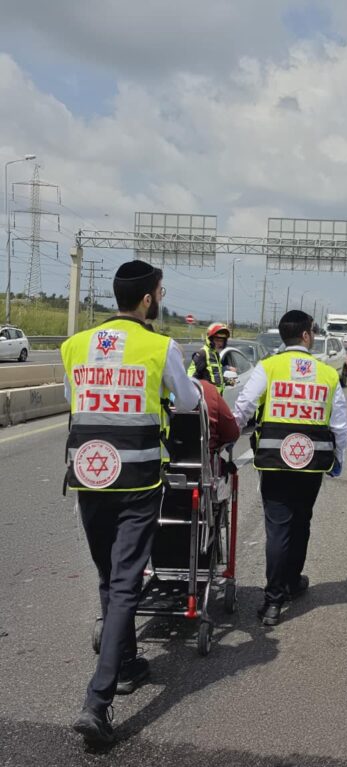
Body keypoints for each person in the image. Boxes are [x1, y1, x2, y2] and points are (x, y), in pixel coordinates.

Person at [62, 260, 201, 746]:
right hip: (138, 479)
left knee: (109, 577)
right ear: (147, 299)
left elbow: (76, 400)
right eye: (160, 292)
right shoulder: (160, 347)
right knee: (124, 585)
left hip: (88, 475)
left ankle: (123, 664)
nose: (160, 299)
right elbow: (186, 403)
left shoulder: (74, 345)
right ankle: (96, 704)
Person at [232, 310, 347, 626]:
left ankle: (272, 602)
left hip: (273, 461)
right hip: (311, 463)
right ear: (308, 335)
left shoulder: (268, 368)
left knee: (278, 527)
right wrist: (339, 459)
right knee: (301, 522)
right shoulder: (326, 374)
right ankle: (292, 581)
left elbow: (242, 408)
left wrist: (226, 441)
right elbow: (339, 424)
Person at [188, 322, 232, 394]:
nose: (219, 343)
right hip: (206, 398)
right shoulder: (202, 354)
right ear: (210, 339)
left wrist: (228, 381)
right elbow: (191, 377)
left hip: (217, 396)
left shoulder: (215, 354)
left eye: (222, 341)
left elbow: (215, 375)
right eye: (217, 340)